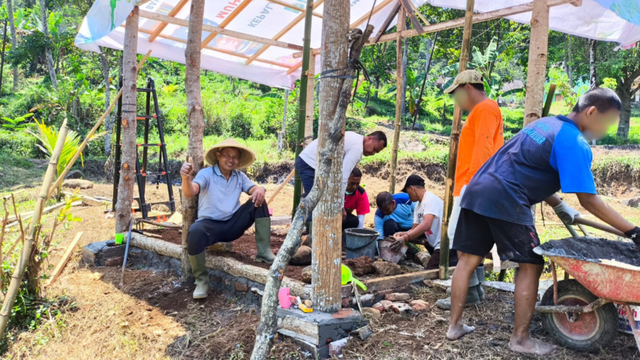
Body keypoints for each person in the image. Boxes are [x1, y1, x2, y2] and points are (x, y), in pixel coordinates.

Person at [446, 88, 640, 355]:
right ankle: (520, 340)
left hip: (478, 187)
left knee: (468, 259)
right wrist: (634, 231)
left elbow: (525, 166)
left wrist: (558, 203)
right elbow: (590, 201)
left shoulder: (544, 124)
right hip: (506, 196)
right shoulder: (573, 141)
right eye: (606, 123)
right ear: (591, 112)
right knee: (531, 265)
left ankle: (454, 327)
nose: (605, 131)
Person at [436, 69, 505, 309]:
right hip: (472, 182)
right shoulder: (482, 110)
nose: (455, 100)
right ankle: (473, 290)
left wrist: (473, 186)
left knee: (460, 237)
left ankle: (468, 293)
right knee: (465, 239)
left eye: (455, 94)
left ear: (467, 88)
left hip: (474, 183)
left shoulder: (485, 109)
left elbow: (483, 150)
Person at [181, 139, 276, 299]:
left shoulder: (239, 176)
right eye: (227, 155)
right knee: (195, 232)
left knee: (259, 200)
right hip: (210, 227)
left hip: (233, 225)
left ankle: (264, 252)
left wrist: (260, 188)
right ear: (218, 155)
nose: (231, 160)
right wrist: (185, 178)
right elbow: (190, 192)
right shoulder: (207, 174)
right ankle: (201, 281)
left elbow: (253, 189)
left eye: (235, 157)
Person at [296, 131, 387, 237]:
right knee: (316, 203)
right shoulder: (357, 148)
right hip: (310, 164)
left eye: (376, 152)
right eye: (375, 149)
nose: (373, 153)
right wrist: (341, 206)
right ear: (369, 139)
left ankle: (316, 236)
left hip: (314, 164)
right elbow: (344, 177)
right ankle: (313, 238)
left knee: (320, 203)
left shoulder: (355, 138)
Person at [390, 175, 457, 269]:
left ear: (411, 188)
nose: (407, 195)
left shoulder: (430, 200)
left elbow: (427, 224)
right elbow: (415, 228)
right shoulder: (418, 206)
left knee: (430, 273)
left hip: (446, 244)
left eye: (407, 192)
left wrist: (405, 238)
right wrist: (403, 234)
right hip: (437, 245)